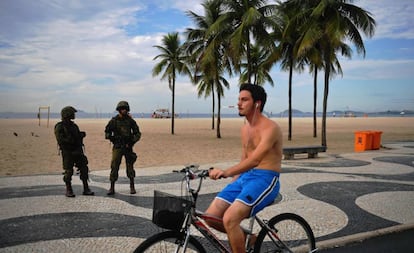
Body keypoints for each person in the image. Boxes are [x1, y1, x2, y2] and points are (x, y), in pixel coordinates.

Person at [205, 83, 282, 253]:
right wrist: (234, 181)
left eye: (244, 100)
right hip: (245, 178)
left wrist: (225, 172)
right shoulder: (245, 129)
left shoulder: (271, 128)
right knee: (210, 217)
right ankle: (250, 239)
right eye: (239, 99)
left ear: (257, 103)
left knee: (230, 219)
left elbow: (255, 160)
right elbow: (245, 157)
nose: (239, 103)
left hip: (265, 179)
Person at [54, 106, 94, 197]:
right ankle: (69, 189)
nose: (74, 115)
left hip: (78, 151)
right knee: (68, 171)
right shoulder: (60, 126)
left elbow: (77, 136)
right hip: (68, 152)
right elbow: (61, 140)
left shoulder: (74, 126)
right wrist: (72, 140)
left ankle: (86, 188)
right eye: (72, 113)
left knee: (84, 168)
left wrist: (80, 136)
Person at [105, 101, 141, 195]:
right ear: (119, 110)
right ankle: (112, 187)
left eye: (125, 109)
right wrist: (112, 138)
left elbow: (137, 133)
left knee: (130, 166)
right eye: (122, 109)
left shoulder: (130, 121)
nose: (124, 110)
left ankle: (132, 186)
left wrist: (132, 141)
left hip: (128, 146)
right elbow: (107, 131)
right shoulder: (114, 121)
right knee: (114, 165)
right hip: (118, 147)